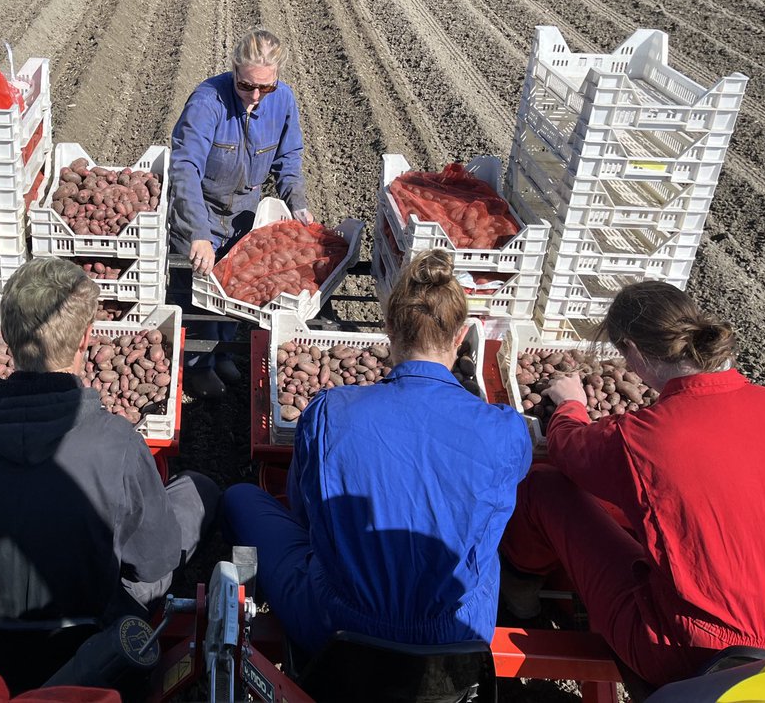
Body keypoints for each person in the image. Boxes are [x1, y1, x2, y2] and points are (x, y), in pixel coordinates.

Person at [222, 249, 532, 655]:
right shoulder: (507, 429)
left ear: (388, 327)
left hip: (337, 630)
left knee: (239, 497)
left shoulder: (330, 411)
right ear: (461, 336)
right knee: (485, 545)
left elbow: (304, 510)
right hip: (456, 638)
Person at [0, 257, 219, 645]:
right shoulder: (119, 443)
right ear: (86, 338)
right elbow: (153, 562)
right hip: (86, 636)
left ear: (5, 333)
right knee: (198, 490)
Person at [500, 280, 765, 687]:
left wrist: (570, 405)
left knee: (542, 486)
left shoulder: (641, 437)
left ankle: (520, 597)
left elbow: (566, 449)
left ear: (633, 352)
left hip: (686, 653)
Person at [168, 28, 312, 400]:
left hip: (244, 214)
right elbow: (184, 167)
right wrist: (197, 230)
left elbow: (289, 158)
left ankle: (223, 352)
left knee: (235, 292)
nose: (254, 97)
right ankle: (197, 366)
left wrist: (296, 202)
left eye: (265, 88)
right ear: (233, 70)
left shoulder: (283, 101)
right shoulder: (207, 101)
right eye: (246, 86)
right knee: (198, 294)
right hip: (201, 209)